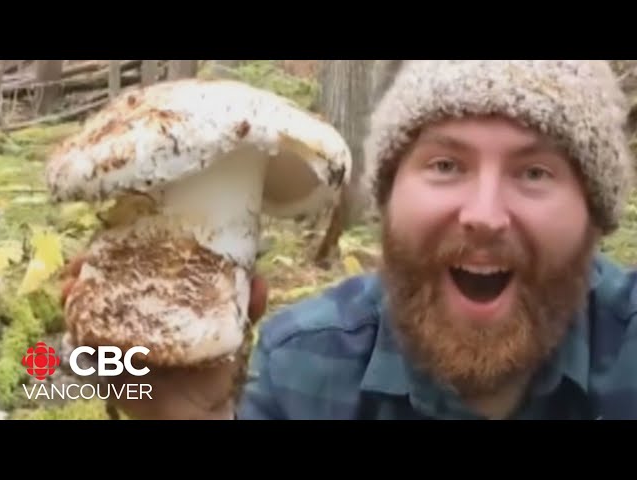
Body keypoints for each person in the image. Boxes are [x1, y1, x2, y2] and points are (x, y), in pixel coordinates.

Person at [61, 60, 637, 420]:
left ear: (594, 212)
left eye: (535, 173)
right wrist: (186, 414)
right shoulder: (302, 366)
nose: (484, 216)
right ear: (387, 199)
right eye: (444, 165)